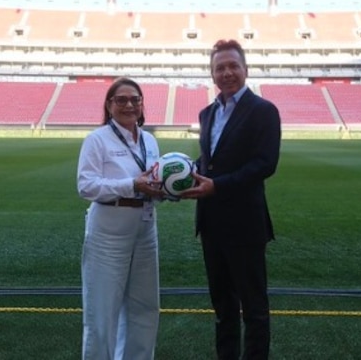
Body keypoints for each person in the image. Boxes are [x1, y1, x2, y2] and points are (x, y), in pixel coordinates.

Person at [180, 39, 282, 360]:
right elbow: (209, 159)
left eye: (232, 66)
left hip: (245, 225)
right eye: (219, 68)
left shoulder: (264, 111)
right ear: (212, 74)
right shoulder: (207, 112)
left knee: (254, 309)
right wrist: (184, 170)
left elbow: (265, 164)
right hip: (211, 225)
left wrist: (217, 186)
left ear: (245, 70)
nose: (227, 73)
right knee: (223, 308)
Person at [77, 77, 166, 360]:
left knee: (145, 307)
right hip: (108, 231)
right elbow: (86, 186)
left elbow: (153, 181)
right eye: (121, 100)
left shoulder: (149, 140)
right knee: (102, 312)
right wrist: (131, 185)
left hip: (146, 228)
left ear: (142, 105)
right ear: (109, 105)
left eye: (135, 99)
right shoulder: (97, 139)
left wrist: (165, 191)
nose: (129, 105)